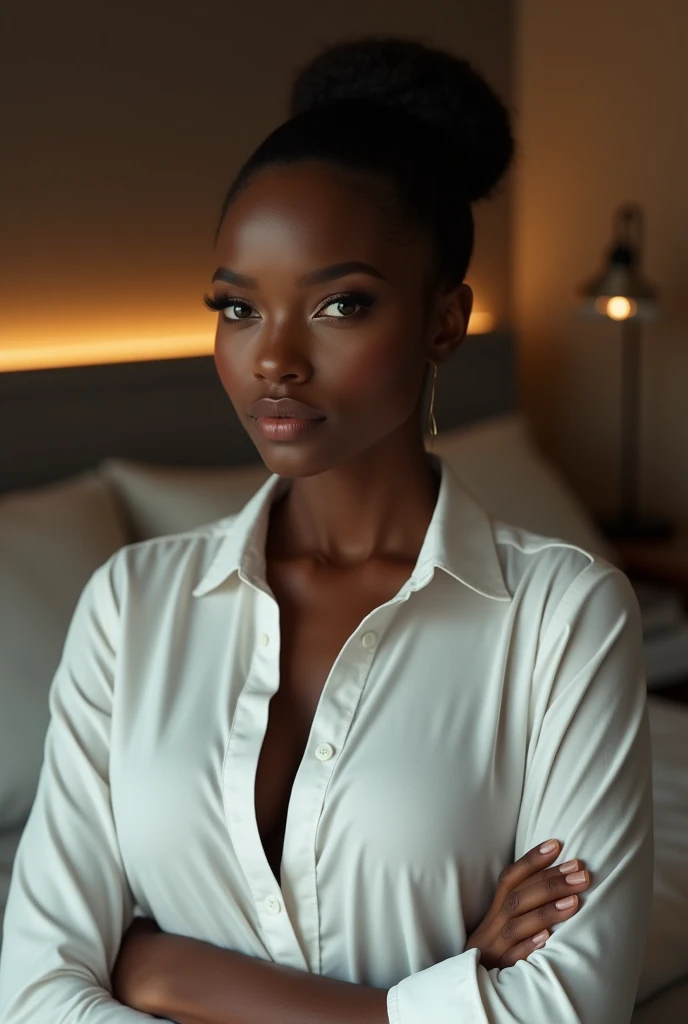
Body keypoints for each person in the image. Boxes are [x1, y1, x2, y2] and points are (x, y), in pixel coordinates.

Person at [0, 35, 652, 1024]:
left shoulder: (561, 614)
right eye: (237, 307)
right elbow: (35, 993)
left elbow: (560, 1011)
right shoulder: (128, 604)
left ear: (445, 321)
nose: (275, 360)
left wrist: (165, 974)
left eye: (340, 303)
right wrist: (419, 1005)